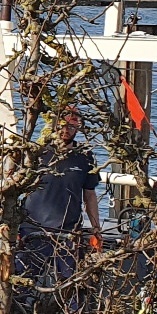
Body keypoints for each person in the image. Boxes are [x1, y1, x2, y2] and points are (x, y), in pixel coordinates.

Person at [18, 106, 103, 296]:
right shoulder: (37, 153)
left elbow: (89, 194)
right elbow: (16, 187)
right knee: (23, 283)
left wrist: (96, 229)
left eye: (72, 127)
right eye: (62, 126)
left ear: (78, 128)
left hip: (68, 232)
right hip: (33, 230)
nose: (66, 131)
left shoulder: (85, 157)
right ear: (54, 125)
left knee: (72, 288)